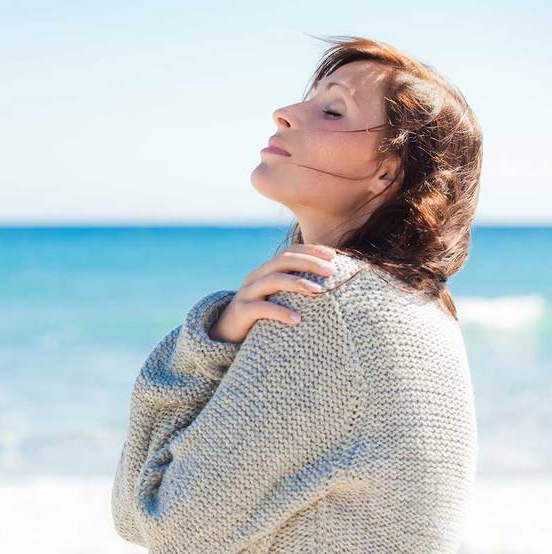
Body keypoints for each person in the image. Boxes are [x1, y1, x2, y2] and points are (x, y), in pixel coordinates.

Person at [110, 35, 482, 553]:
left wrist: (201, 349)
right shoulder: (417, 305)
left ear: (387, 171)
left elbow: (157, 520)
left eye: (332, 110)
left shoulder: (328, 303)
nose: (284, 114)